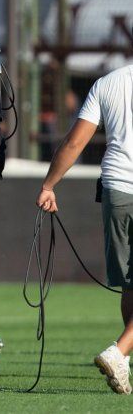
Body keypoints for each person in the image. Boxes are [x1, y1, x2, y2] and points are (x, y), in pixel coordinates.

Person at [37, 63, 133, 395]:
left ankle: (124, 359)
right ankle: (120, 352)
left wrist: (49, 184)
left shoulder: (107, 83)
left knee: (128, 284)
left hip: (116, 189)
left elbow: (75, 142)